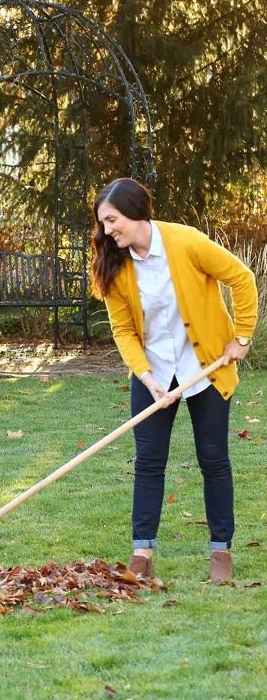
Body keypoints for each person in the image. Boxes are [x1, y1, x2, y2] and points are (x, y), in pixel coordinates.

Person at [91, 178, 257, 582]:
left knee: (213, 459)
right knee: (149, 462)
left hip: (207, 368)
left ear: (135, 211)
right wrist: (147, 379)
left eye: (112, 221)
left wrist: (242, 336)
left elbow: (242, 277)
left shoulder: (186, 242)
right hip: (154, 374)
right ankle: (142, 552)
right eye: (103, 224)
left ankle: (221, 552)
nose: (108, 231)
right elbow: (124, 330)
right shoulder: (114, 263)